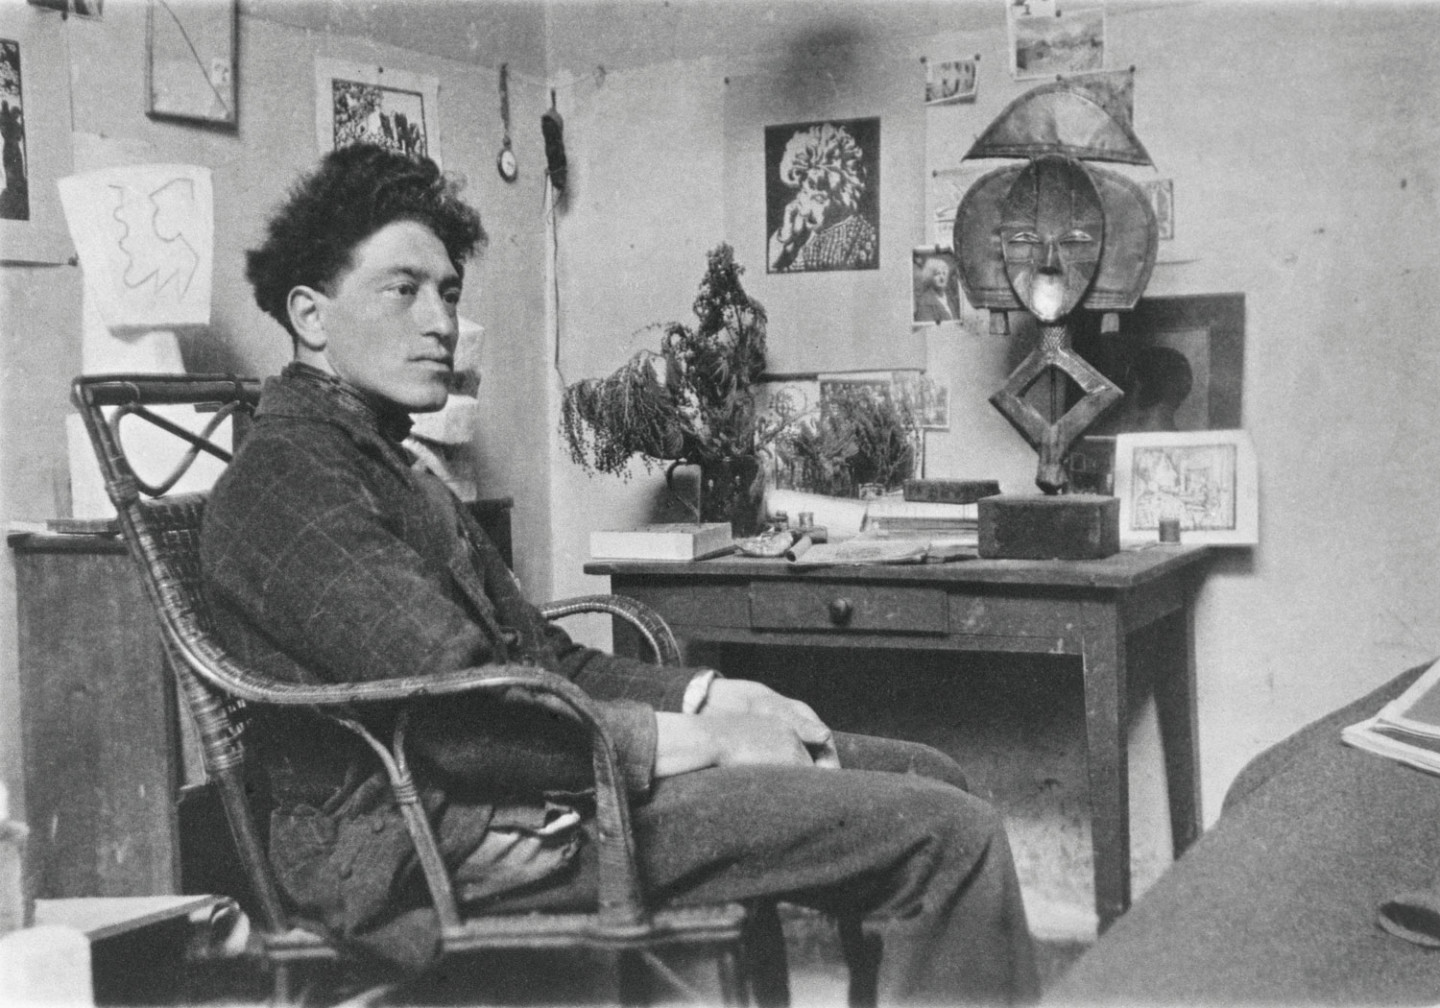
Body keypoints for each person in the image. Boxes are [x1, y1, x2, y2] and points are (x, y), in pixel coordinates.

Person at [202, 143, 1038, 1005]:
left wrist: (717, 697)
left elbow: (548, 664)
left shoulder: (394, 470)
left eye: (448, 291)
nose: (440, 321)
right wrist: (703, 747)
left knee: (930, 776)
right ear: (309, 314)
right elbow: (463, 707)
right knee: (947, 833)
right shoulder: (288, 478)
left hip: (515, 780)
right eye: (402, 289)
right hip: (428, 836)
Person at [768, 121, 879, 272]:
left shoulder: (856, 241)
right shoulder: (813, 239)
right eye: (804, 193)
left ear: (844, 196)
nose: (805, 211)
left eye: (819, 198)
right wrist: (784, 236)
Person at [914, 252, 959, 323]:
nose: (942, 277)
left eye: (944, 273)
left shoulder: (949, 299)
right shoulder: (925, 302)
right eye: (937, 274)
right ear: (929, 277)